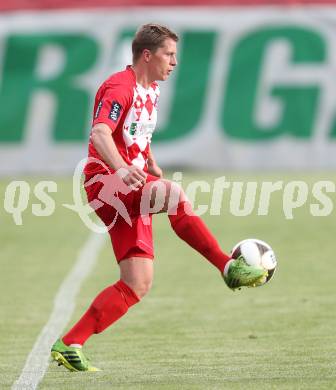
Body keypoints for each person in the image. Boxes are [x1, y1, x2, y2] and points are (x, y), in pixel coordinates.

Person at [51, 24, 266, 372]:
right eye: (169, 54)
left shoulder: (149, 91)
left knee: (137, 283)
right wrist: (121, 167)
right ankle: (227, 266)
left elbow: (134, 132)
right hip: (105, 183)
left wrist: (147, 160)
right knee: (175, 196)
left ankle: (71, 342)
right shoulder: (119, 87)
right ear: (147, 55)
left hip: (128, 184)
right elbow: (100, 132)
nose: (175, 62)